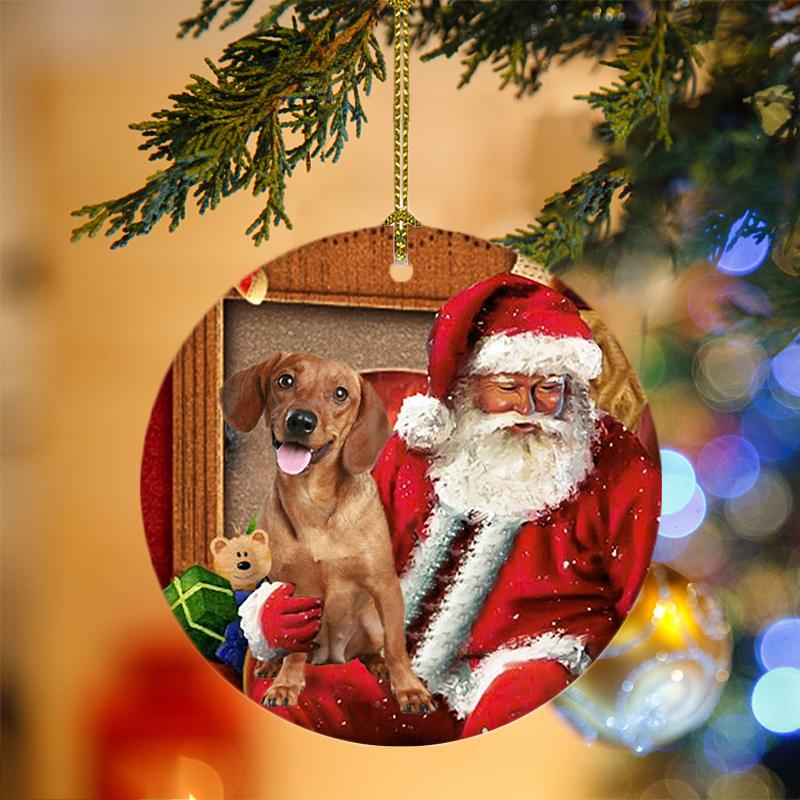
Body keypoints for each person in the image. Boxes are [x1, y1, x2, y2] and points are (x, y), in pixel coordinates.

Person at [240, 273, 661, 743]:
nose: (529, 408)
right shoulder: (417, 450)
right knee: (298, 702)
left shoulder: (615, 465)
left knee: (520, 706)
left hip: (531, 661)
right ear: (469, 386)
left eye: (548, 387)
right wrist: (281, 611)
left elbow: (644, 598)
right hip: (403, 665)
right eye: (507, 386)